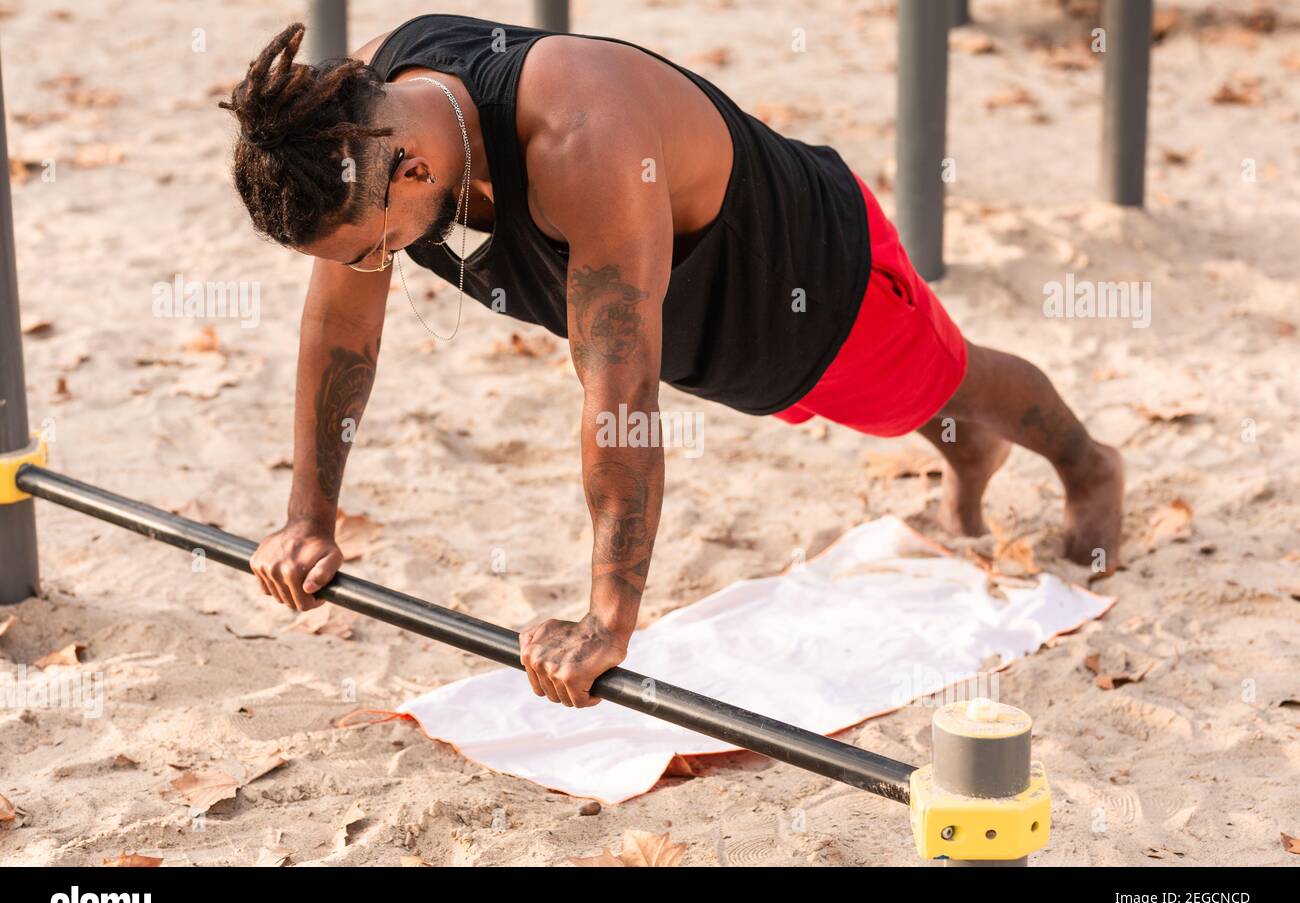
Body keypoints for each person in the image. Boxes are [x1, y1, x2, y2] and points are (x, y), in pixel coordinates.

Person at [222, 15, 1124, 710]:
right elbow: (341, 334)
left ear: (413, 173)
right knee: (895, 403)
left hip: (800, 274)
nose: (376, 268)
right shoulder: (360, 122)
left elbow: (618, 396)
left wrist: (608, 617)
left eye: (377, 249)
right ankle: (969, 450)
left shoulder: (581, 138)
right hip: (695, 310)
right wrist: (309, 517)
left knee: (935, 384)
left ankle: (1088, 466)